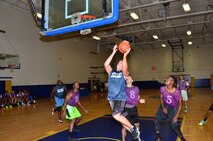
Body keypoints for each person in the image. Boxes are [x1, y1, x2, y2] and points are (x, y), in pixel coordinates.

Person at [104, 44, 141, 141]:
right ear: (116, 65)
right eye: (119, 62)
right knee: (122, 121)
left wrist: (125, 56)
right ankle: (137, 138)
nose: (120, 63)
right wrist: (113, 52)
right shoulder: (111, 72)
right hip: (111, 99)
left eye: (122, 63)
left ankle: (133, 129)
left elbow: (125, 68)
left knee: (115, 115)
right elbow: (106, 64)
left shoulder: (123, 74)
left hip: (120, 98)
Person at [154, 75, 186, 141]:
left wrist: (177, 115)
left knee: (174, 124)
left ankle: (182, 137)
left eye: (168, 79)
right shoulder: (162, 88)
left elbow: (180, 104)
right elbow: (161, 98)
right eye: (166, 78)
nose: (166, 79)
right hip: (165, 105)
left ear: (172, 81)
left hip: (173, 107)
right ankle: (158, 136)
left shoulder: (177, 92)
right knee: (156, 120)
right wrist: (163, 107)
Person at [122, 75, 145, 141]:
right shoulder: (123, 88)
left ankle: (138, 138)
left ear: (132, 80)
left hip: (134, 109)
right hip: (126, 110)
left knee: (137, 125)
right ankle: (123, 140)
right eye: (127, 78)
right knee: (125, 127)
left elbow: (137, 96)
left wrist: (140, 99)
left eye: (129, 78)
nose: (127, 79)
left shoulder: (136, 88)